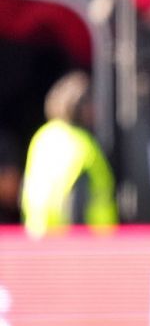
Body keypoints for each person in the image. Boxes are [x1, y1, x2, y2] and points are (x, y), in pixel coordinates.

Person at [21, 71, 117, 237]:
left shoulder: (42, 136)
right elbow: (77, 197)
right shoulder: (82, 144)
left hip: (39, 233)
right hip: (83, 239)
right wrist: (78, 241)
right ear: (80, 106)